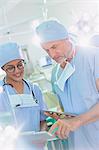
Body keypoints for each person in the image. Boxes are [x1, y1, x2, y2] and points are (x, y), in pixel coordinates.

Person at [36, 20, 99, 150]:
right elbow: (66, 108)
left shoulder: (93, 57)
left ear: (67, 39)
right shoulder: (55, 73)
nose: (52, 55)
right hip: (78, 142)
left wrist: (77, 121)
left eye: (54, 47)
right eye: (47, 50)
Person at [0, 42, 47, 150]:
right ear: (3, 69)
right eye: (11, 68)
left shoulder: (35, 89)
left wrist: (42, 136)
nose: (17, 71)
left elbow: (42, 120)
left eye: (20, 65)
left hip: (36, 146)